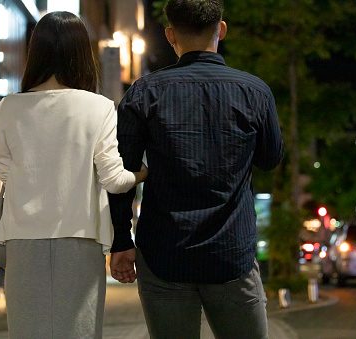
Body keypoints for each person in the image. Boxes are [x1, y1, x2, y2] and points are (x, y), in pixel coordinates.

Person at [108, 0, 284, 338]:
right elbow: (269, 159)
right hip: (232, 253)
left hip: (163, 253)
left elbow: (121, 173)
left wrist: (121, 241)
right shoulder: (254, 91)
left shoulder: (144, 92)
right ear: (221, 30)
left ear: (170, 34)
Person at [0, 11, 147, 339]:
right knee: (80, 332)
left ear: (35, 52)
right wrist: (143, 173)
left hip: (22, 242)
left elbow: (5, 175)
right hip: (79, 240)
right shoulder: (98, 107)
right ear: (82, 55)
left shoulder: (7, 108)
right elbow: (115, 180)